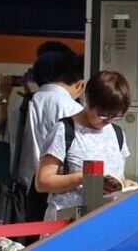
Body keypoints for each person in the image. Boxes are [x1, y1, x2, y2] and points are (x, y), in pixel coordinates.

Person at [35, 69, 135, 219]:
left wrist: (125, 185)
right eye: (102, 115)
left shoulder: (117, 133)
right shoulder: (65, 130)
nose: (106, 122)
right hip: (68, 221)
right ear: (88, 98)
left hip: (104, 219)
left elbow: (118, 175)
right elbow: (42, 182)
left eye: (114, 117)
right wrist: (83, 178)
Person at [13, 51, 86, 223]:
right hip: (56, 195)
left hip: (20, 195)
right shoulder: (73, 110)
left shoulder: (20, 104)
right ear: (80, 85)